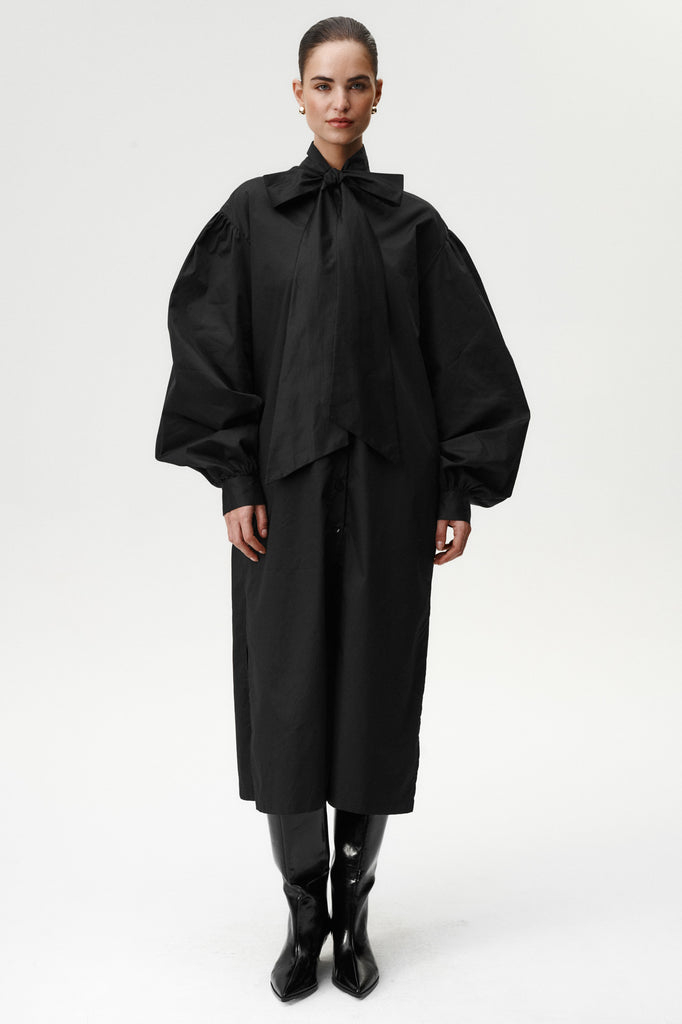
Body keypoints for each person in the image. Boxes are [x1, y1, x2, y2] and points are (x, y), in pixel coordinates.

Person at [155, 15, 530, 1003]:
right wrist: (235, 480)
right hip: (279, 500)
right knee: (285, 701)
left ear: (377, 95)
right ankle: (303, 916)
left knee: (372, 696)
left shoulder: (415, 229)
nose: (339, 100)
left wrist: (455, 487)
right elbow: (212, 346)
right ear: (297, 93)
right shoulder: (253, 216)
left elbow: (466, 356)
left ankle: (355, 910)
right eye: (322, 84)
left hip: (387, 498)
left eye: (356, 83)